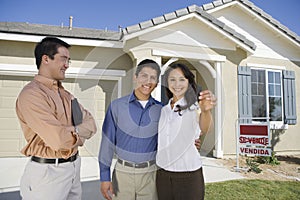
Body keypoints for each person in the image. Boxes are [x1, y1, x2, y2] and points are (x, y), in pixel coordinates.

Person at [98, 59, 203, 200]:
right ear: (135, 77)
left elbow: (170, 135)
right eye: (144, 76)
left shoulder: (163, 110)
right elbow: (107, 142)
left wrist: (191, 142)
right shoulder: (116, 106)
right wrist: (104, 176)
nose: (148, 81)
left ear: (157, 83)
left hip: (151, 174)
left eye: (153, 77)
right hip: (123, 173)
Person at [15, 36, 97, 200]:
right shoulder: (32, 95)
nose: (67, 65)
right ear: (46, 59)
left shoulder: (67, 96)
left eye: (68, 60)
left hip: (73, 167)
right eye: (63, 59)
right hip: (47, 174)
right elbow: (59, 140)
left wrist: (71, 132)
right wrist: (78, 134)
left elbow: (92, 125)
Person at [156, 63, 216, 200]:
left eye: (182, 79)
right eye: (172, 79)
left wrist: (206, 111)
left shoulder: (195, 107)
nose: (177, 84)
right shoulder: (163, 110)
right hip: (162, 175)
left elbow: (207, 128)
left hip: (188, 176)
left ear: (189, 82)